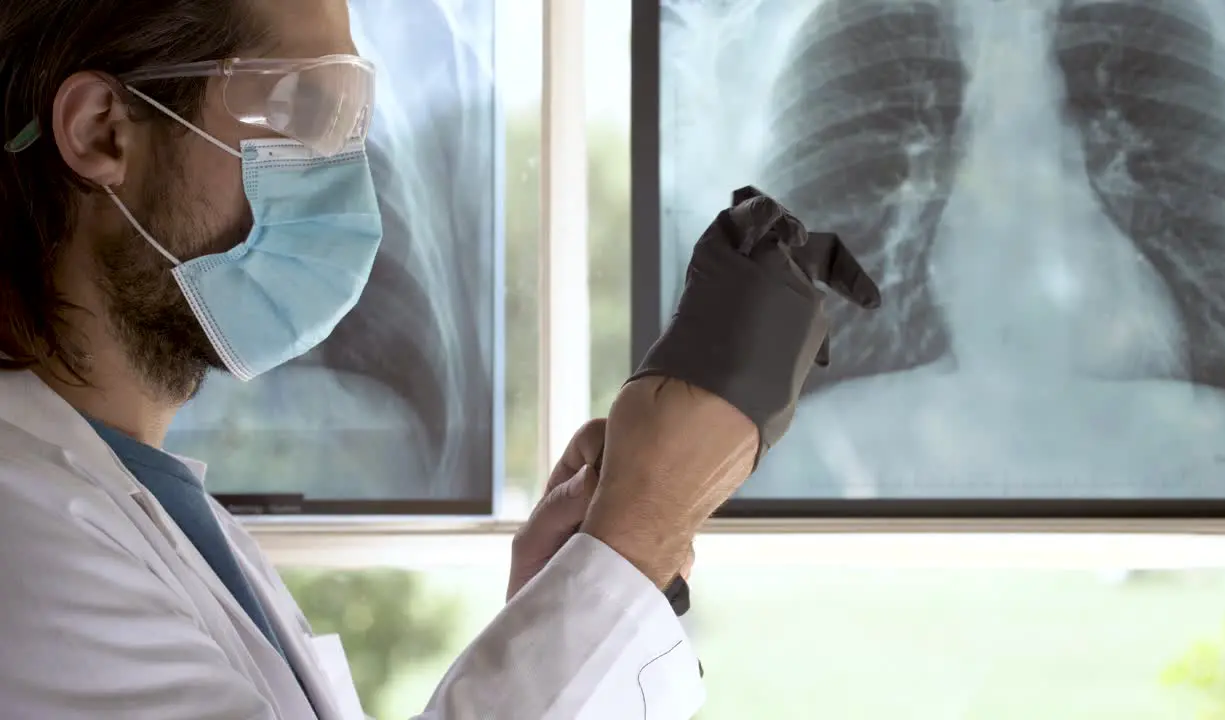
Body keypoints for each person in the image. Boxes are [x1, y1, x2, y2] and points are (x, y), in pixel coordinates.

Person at [0, 1, 768, 718]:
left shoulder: (140, 501)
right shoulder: (25, 545)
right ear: (104, 131)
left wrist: (562, 602)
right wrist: (638, 534)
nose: (343, 172)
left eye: (346, 118)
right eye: (301, 106)